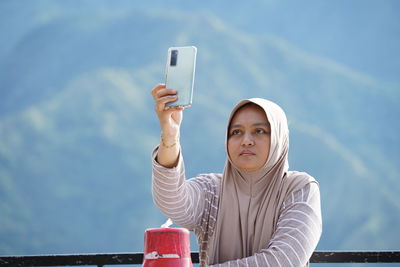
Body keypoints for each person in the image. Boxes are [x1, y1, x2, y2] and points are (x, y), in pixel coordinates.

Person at [151, 84, 322, 267]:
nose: (246, 141)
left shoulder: (300, 188)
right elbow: (172, 201)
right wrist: (170, 135)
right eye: (236, 132)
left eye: (259, 131)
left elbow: (284, 260)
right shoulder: (212, 191)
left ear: (279, 138)